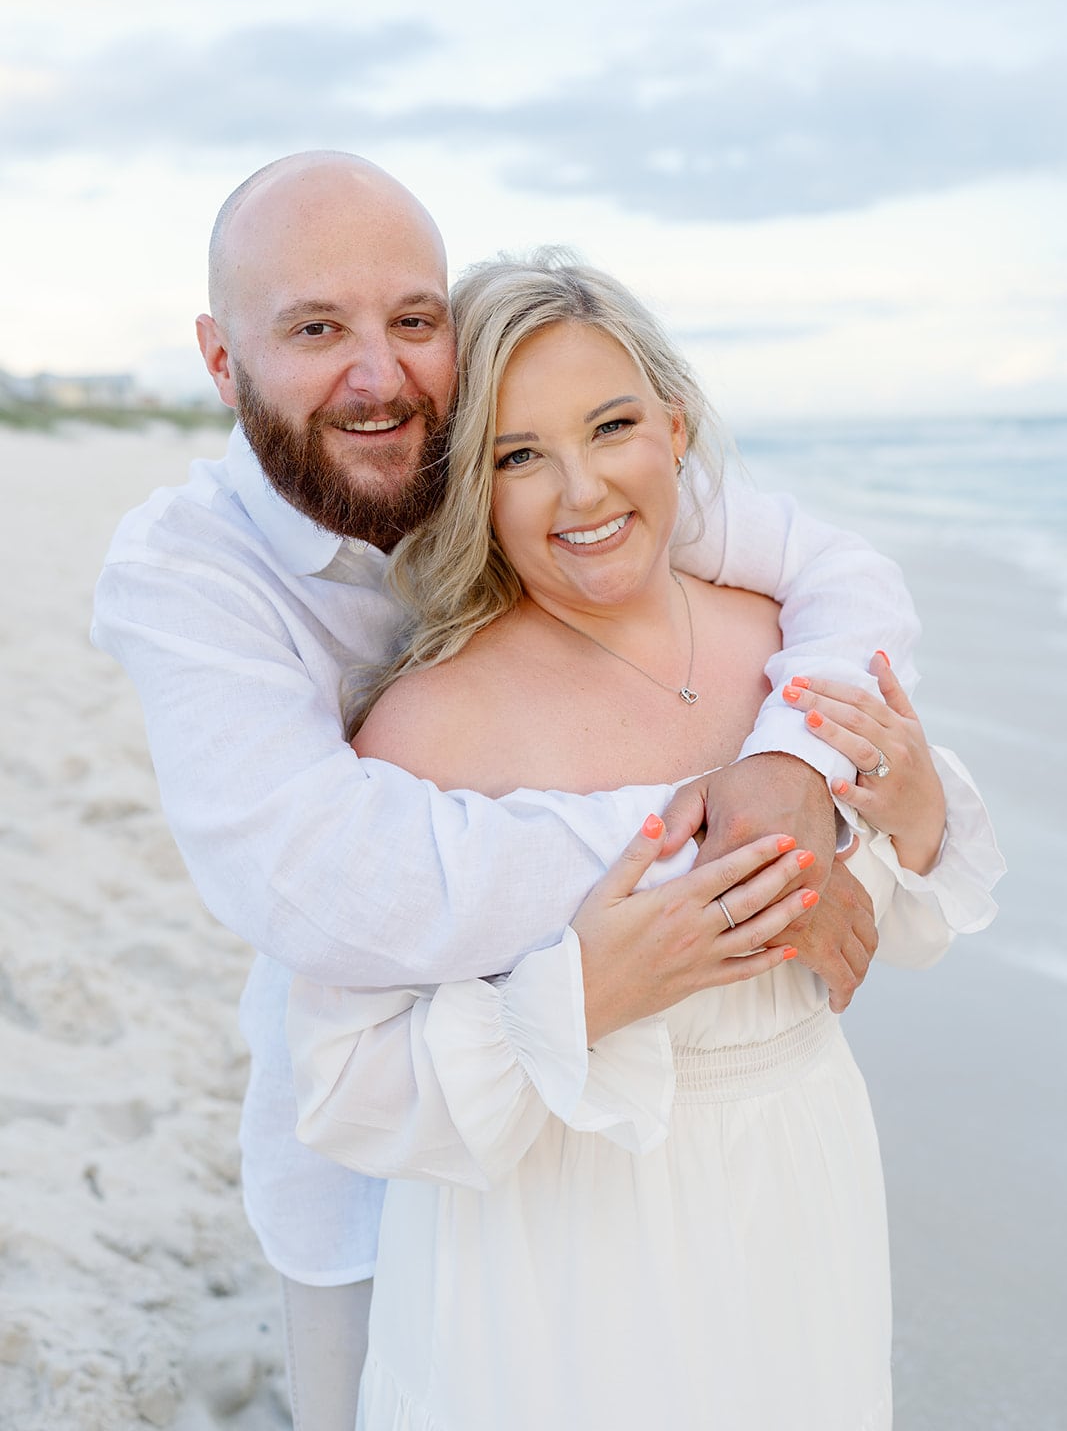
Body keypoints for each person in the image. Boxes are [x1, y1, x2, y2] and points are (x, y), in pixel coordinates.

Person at [93, 152, 926, 1431]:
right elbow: (328, 882)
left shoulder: (528, 464)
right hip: (379, 1160)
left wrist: (791, 765)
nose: (377, 375)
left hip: (690, 1164)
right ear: (221, 359)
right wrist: (745, 864)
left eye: (410, 319)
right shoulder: (186, 573)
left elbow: (836, 575)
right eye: (315, 329)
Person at [289, 253, 1002, 1431]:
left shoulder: (790, 653)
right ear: (467, 486)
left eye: (610, 426)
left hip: (796, 1187)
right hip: (556, 1244)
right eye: (518, 455)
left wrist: (910, 814)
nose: (581, 492)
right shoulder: (426, 724)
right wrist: (581, 997)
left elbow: (904, 930)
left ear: (673, 428)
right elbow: (344, 1087)